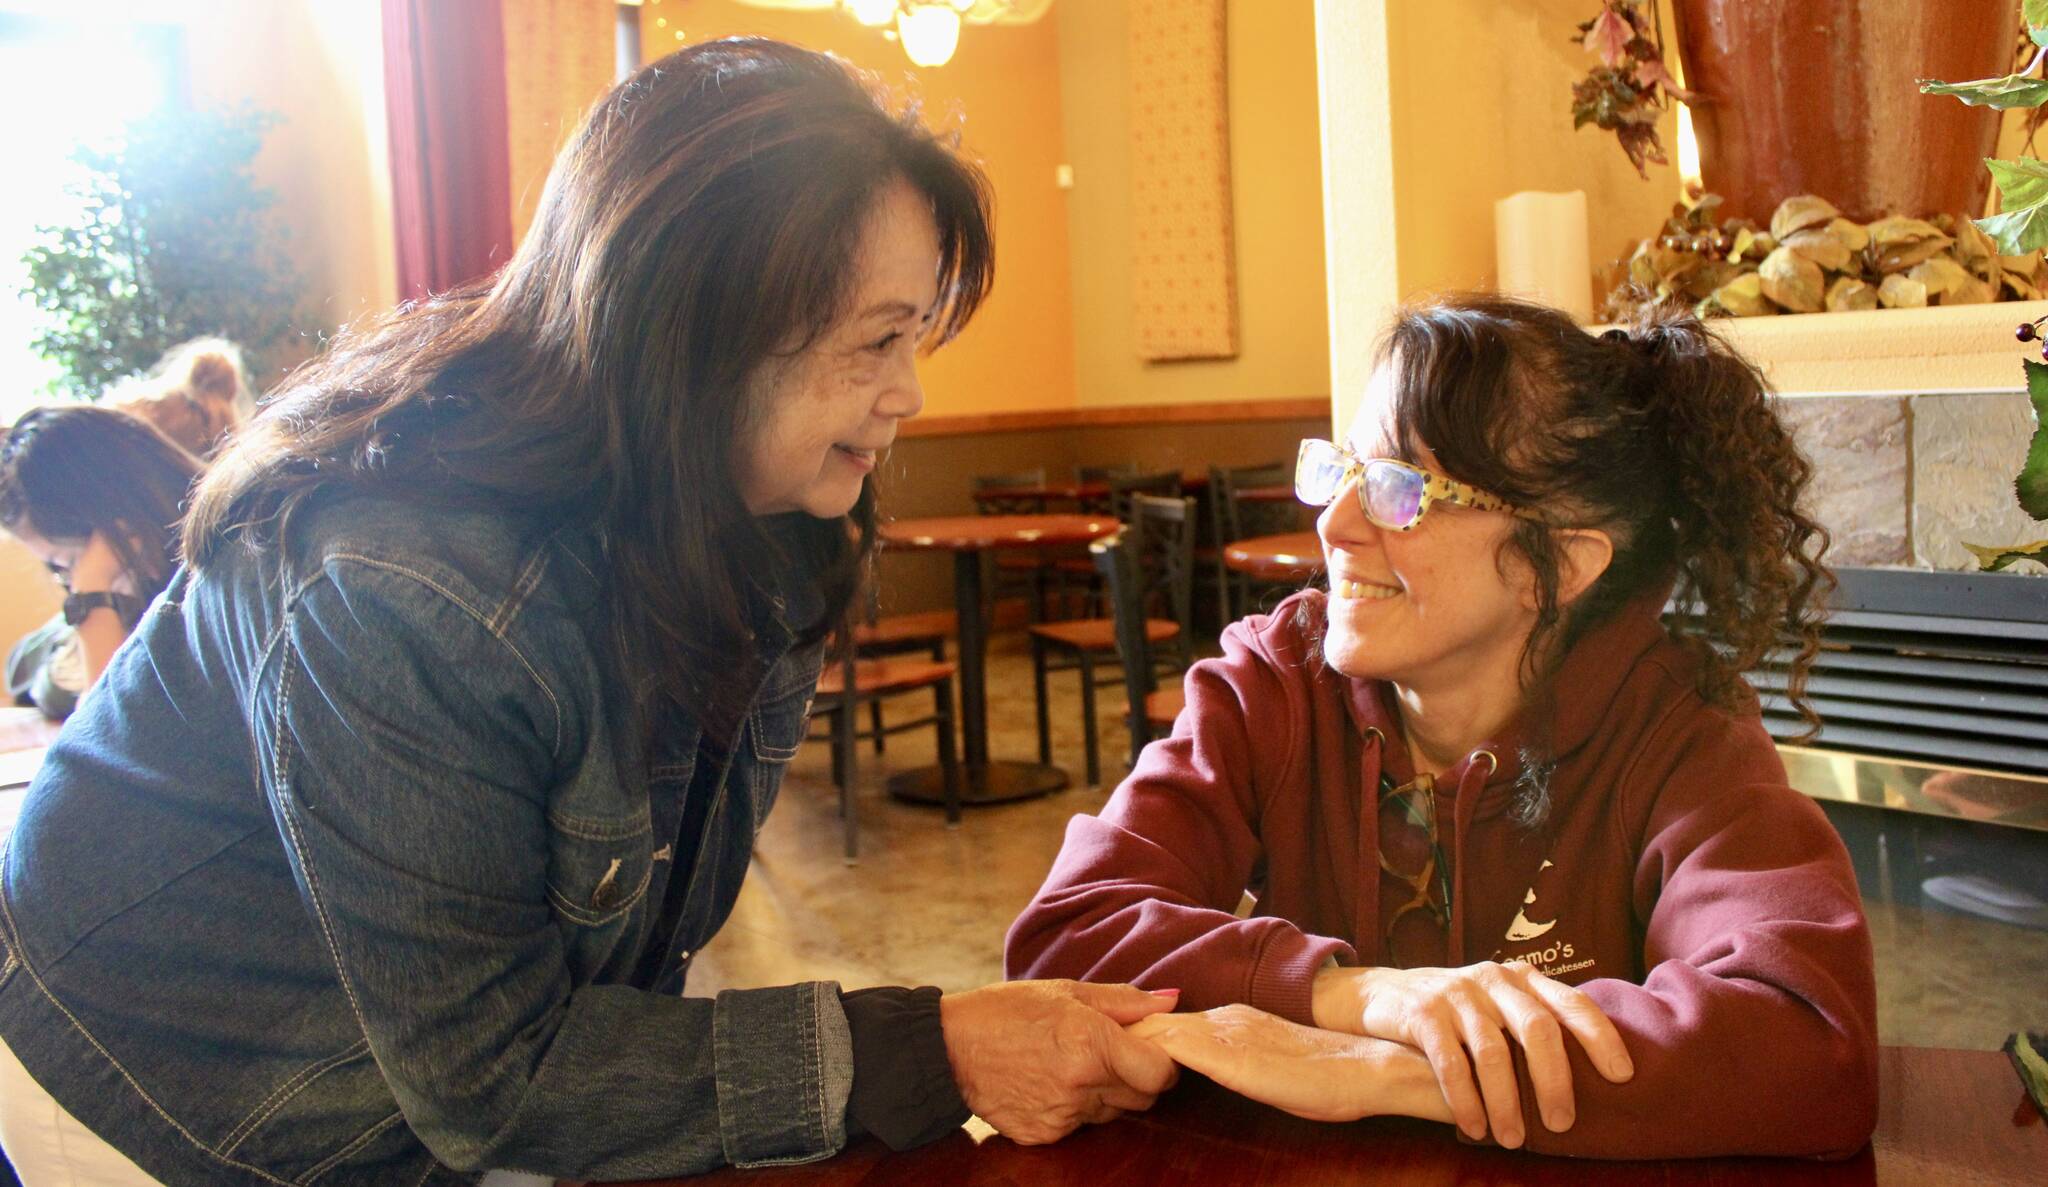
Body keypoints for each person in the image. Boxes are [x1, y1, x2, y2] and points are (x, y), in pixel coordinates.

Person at [0, 39, 1176, 1186]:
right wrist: (935, 1044)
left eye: (912, 338)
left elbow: (615, 966)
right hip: (152, 1078)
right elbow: (493, 1076)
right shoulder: (404, 581)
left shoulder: (766, 519)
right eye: (876, 340)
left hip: (420, 1081)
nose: (908, 393)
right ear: (698, 321)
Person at [1006, 295, 1880, 1159]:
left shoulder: (1674, 730)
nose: (1334, 523)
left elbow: (1811, 1038)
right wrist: (1360, 997)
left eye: (1397, 489)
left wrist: (1386, 1071)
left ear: (1560, 564)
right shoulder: (1275, 683)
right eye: (1342, 469)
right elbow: (1064, 939)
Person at [0, 405, 204, 718]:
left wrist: (92, 592)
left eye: (68, 561)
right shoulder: (140, 597)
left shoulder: (212, 590)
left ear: (126, 527)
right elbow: (26, 667)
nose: (72, 579)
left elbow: (104, 729)